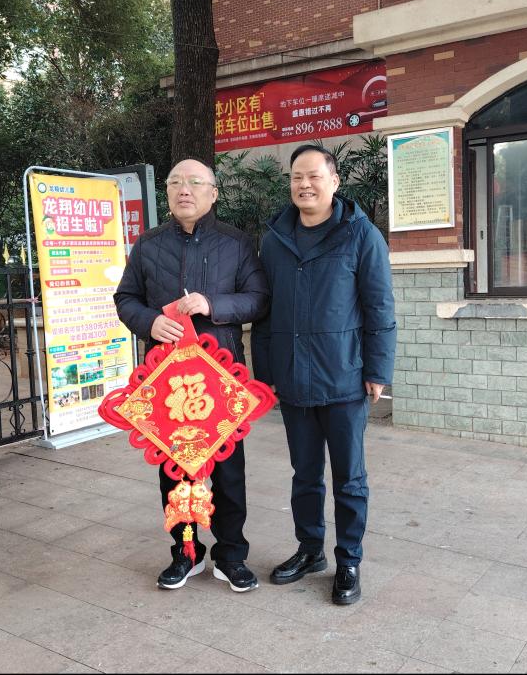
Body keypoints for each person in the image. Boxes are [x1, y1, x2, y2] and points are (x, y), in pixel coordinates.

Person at [114, 158, 269, 593]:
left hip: (221, 378)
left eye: (195, 182)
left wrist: (212, 305)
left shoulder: (236, 243)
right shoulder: (148, 245)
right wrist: (149, 322)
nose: (185, 190)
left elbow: (258, 299)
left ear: (213, 193)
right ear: (167, 192)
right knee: (176, 472)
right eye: (176, 182)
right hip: (168, 380)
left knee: (228, 472)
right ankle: (186, 552)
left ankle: (231, 554)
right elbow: (125, 298)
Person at [252, 144, 396, 605]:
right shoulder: (276, 238)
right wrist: (265, 372)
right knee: (305, 474)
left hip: (344, 378)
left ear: (334, 181)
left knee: (349, 477)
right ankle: (310, 549)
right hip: (293, 377)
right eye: (297, 177)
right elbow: (265, 311)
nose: (304, 185)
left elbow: (379, 307)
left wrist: (378, 369)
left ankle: (348, 560)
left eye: (314, 176)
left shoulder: (360, 234)